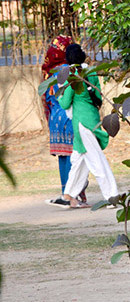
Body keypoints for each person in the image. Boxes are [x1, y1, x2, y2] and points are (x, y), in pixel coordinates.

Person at [58, 43, 119, 208]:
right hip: (92, 119)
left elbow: (64, 103)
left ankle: (112, 195)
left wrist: (58, 90)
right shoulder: (90, 73)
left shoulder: (73, 75)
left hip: (81, 123)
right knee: (77, 159)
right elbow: (97, 96)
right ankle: (69, 195)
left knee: (96, 161)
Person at [41, 35, 87, 207]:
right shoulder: (71, 70)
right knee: (75, 156)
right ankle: (75, 196)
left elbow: (46, 100)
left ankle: (65, 192)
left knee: (63, 157)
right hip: (69, 116)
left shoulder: (49, 73)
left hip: (55, 120)